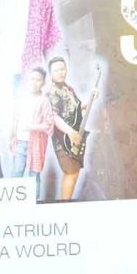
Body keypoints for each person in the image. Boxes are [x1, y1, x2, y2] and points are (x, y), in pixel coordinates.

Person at [45, 56, 92, 200]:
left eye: (62, 69)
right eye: (56, 70)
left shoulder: (69, 89)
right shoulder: (51, 92)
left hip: (75, 136)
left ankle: (67, 202)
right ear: (50, 73)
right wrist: (70, 131)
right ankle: (64, 205)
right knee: (70, 171)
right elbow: (54, 117)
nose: (60, 72)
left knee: (74, 171)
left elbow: (77, 108)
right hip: (63, 138)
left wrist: (91, 99)